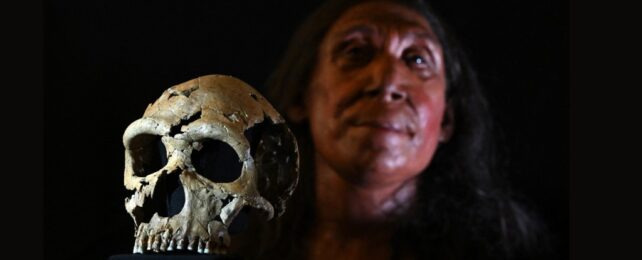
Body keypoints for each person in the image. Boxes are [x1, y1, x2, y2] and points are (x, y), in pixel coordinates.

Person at [243, 0, 553, 259]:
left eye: (417, 59)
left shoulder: (507, 253)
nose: (387, 82)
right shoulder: (232, 246)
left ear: (446, 120)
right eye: (355, 52)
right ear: (301, 97)